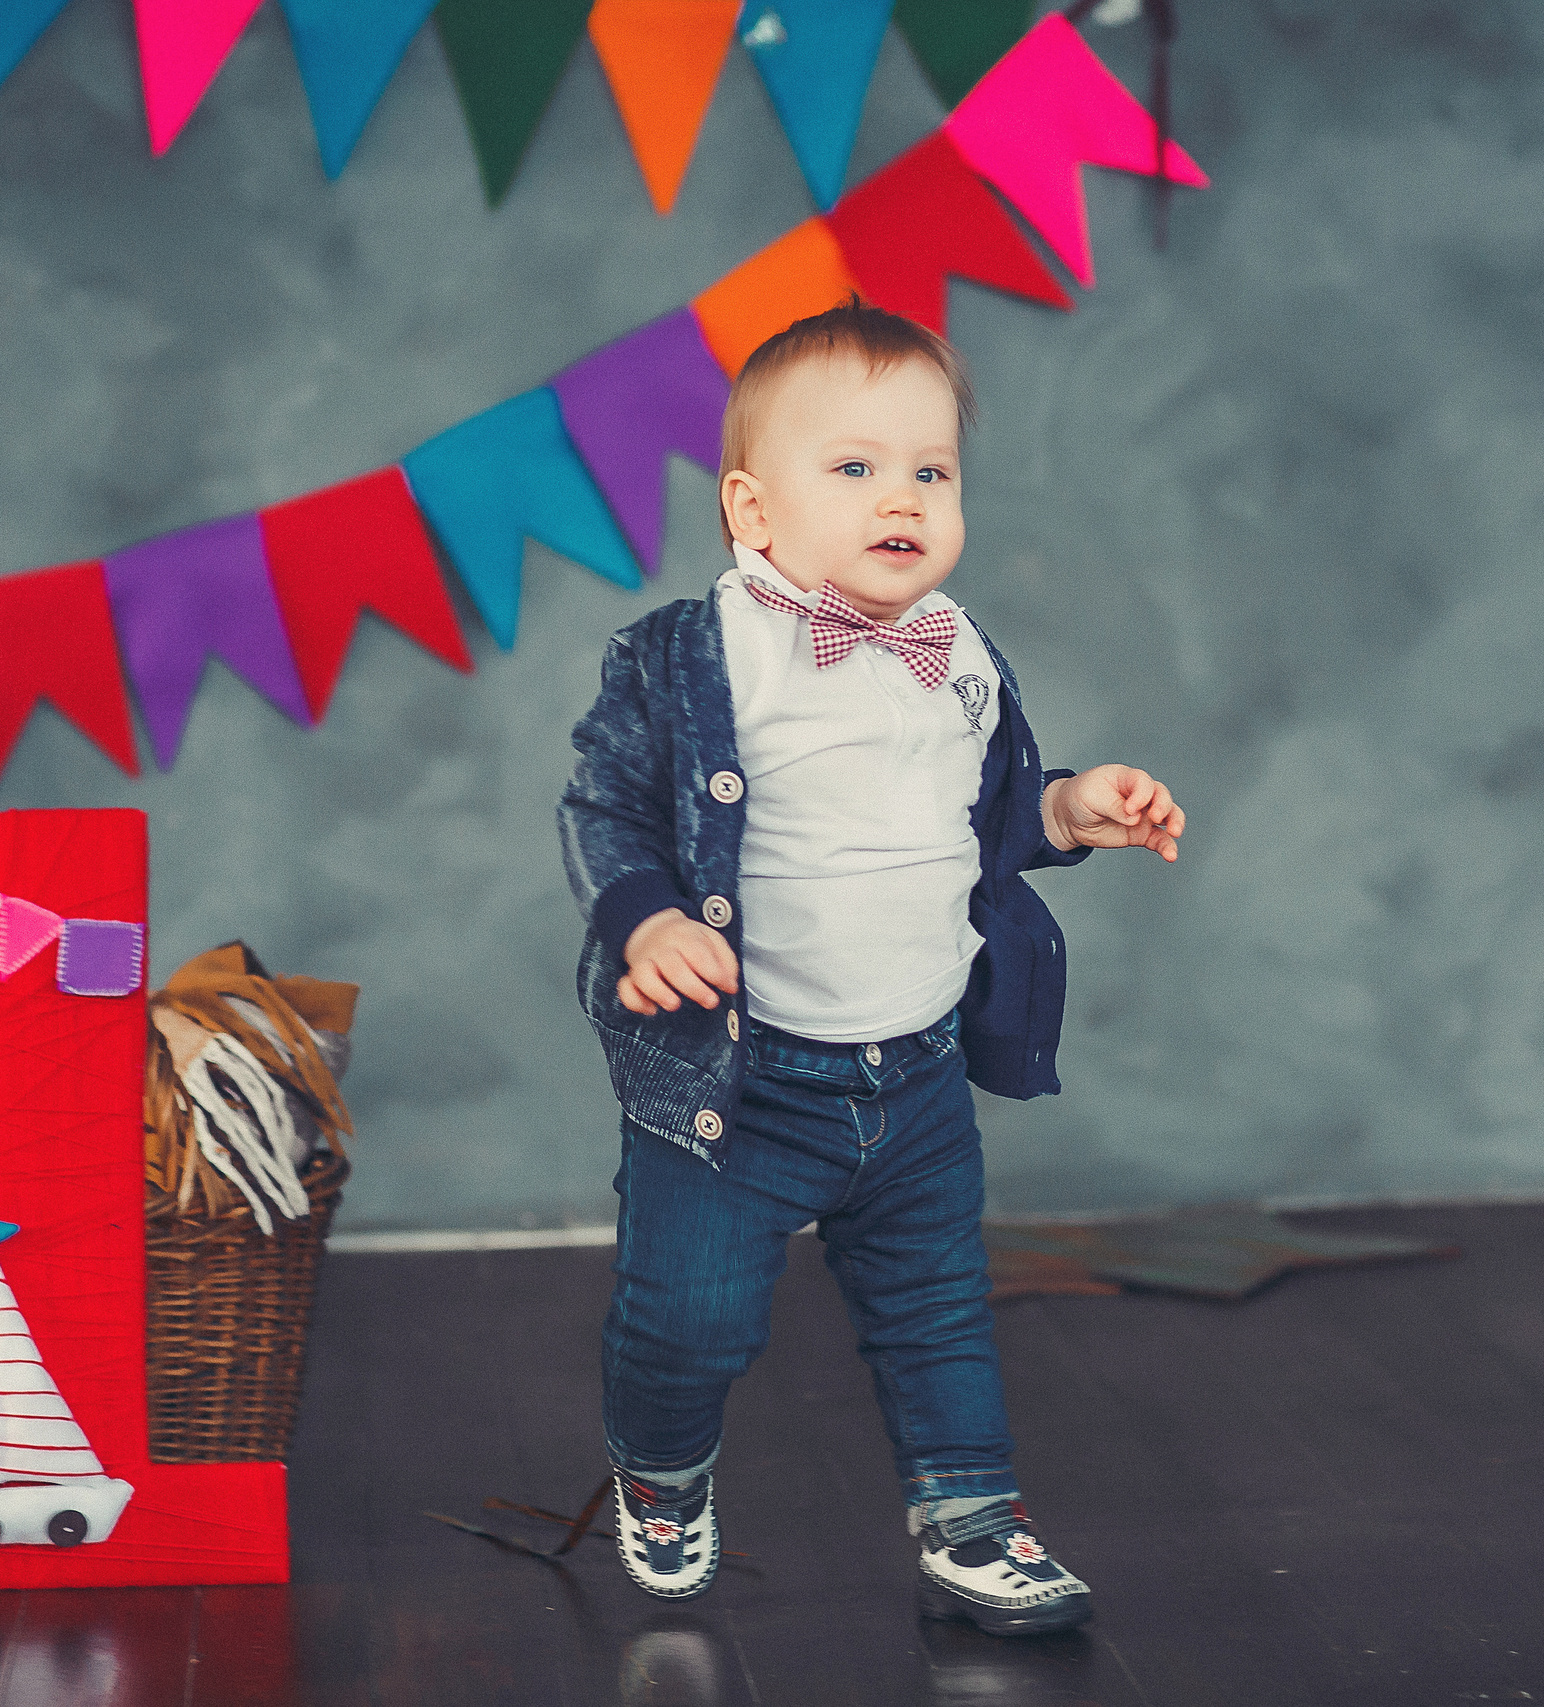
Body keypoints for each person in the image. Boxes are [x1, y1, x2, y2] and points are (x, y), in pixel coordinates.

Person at [557, 300, 1185, 1637]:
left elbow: (995, 813)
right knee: (691, 1316)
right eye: (853, 468)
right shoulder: (698, 654)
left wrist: (1075, 807)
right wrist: (648, 921)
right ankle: (662, 1469)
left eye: (930, 471)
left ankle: (972, 1520)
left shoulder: (955, 652)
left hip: (914, 1074)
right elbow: (607, 806)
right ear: (753, 509)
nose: (900, 495)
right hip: (741, 1085)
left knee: (938, 1309)